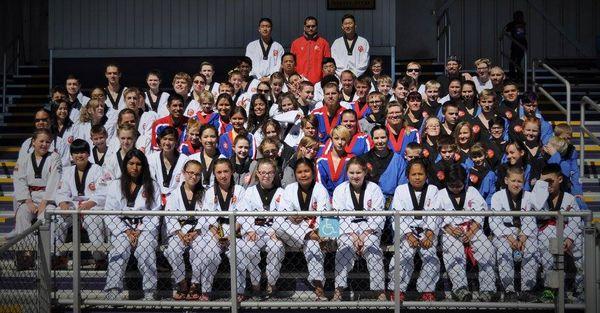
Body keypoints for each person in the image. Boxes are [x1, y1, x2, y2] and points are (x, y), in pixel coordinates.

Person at [104, 149, 161, 301]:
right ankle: (113, 290)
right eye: (131, 164)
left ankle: (150, 291)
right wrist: (126, 231)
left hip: (145, 228)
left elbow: (155, 212)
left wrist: (140, 231)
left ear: (144, 166)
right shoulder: (115, 184)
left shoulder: (152, 185)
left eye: (138, 164)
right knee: (119, 250)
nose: (134, 168)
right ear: (125, 165)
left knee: (145, 249)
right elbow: (109, 212)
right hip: (122, 228)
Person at [436, 164, 496, 302]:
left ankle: (488, 288)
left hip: (473, 229)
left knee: (486, 249)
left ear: (465, 181)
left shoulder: (472, 191)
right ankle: (460, 288)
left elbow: (481, 212)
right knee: (453, 250)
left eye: (459, 185)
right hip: (451, 231)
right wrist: (450, 229)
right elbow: (438, 217)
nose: (456, 189)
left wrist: (471, 231)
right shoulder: (440, 195)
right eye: (452, 185)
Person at [331, 157, 386, 301]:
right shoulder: (339, 190)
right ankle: (338, 290)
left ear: (365, 172)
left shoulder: (374, 189)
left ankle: (379, 290)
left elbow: (379, 215)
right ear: (347, 173)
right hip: (347, 231)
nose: (355, 176)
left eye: (358, 172)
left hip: (370, 230)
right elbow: (338, 217)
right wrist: (354, 235)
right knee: (344, 250)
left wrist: (365, 234)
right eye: (351, 173)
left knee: (374, 249)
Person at [275, 158, 329, 300]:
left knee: (313, 246)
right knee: (277, 225)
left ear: (313, 172)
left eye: (306, 171)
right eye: (299, 172)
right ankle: (310, 235)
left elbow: (324, 215)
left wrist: (301, 217)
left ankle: (318, 285)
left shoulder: (320, 189)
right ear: (295, 174)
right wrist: (293, 217)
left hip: (315, 232)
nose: (303, 175)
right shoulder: (290, 189)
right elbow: (284, 214)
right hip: (295, 231)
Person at [490, 165, 543, 303]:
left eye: (519, 181)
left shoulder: (529, 196)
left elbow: (531, 218)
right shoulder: (497, 196)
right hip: (504, 234)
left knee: (532, 249)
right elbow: (494, 221)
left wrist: (524, 236)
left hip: (524, 233)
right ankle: (509, 290)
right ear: (506, 180)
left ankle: (527, 289)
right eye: (513, 180)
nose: (516, 184)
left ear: (524, 182)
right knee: (504, 250)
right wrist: (510, 237)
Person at [389, 159, 440, 301]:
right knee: (403, 255)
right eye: (413, 174)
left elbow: (435, 214)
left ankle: (427, 290)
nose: (417, 177)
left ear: (426, 175)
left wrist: (430, 234)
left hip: (426, 231)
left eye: (421, 174)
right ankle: (397, 289)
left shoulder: (433, 190)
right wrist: (408, 235)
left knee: (431, 255)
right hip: (406, 232)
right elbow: (396, 215)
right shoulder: (401, 190)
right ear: (408, 176)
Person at [13, 129, 63, 270]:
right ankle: (26, 254)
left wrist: (44, 202)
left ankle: (46, 255)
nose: (44, 144)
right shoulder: (24, 158)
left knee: (46, 217)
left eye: (48, 142)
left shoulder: (54, 157)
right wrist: (28, 201)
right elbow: (19, 179)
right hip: (29, 197)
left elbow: (55, 179)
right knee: (22, 214)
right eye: (41, 141)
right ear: (33, 142)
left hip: (48, 198)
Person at [201, 159, 250, 301]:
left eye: (226, 171)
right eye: (219, 172)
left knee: (238, 253)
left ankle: (239, 290)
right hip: (215, 230)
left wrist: (230, 236)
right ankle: (206, 290)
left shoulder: (240, 190)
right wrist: (218, 235)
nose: (223, 175)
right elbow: (207, 217)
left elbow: (242, 216)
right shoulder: (210, 192)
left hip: (234, 229)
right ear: (214, 174)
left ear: (232, 172)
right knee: (209, 254)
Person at [55, 139, 107, 270]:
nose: (79, 155)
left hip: (91, 208)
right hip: (72, 207)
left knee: (93, 220)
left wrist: (90, 203)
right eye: (76, 153)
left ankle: (100, 258)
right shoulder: (67, 171)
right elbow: (62, 191)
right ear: (71, 156)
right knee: (58, 219)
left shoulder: (97, 170)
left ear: (88, 154)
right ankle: (59, 257)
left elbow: (103, 192)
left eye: (83, 152)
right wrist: (63, 203)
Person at [164, 160, 212, 301]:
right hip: (179, 231)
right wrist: (180, 233)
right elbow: (169, 216)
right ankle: (182, 282)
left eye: (198, 174)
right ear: (184, 173)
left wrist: (196, 232)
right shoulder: (174, 194)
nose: (194, 177)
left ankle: (195, 284)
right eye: (191, 173)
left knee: (201, 249)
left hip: (199, 231)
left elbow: (207, 215)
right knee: (172, 249)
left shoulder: (205, 193)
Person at [537, 164, 584, 302]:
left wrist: (568, 238)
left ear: (560, 179)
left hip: (568, 233)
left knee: (581, 255)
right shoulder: (540, 199)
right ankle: (551, 290)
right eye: (544, 182)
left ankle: (580, 289)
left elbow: (575, 220)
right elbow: (538, 217)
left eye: (550, 181)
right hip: (548, 232)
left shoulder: (570, 198)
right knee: (548, 258)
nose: (547, 185)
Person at [239, 158, 285, 299]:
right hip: (254, 230)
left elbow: (284, 214)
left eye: (270, 172)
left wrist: (275, 231)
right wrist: (249, 229)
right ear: (257, 174)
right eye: (263, 172)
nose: (266, 176)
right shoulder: (250, 192)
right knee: (248, 249)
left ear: (275, 173)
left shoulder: (281, 192)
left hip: (273, 231)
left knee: (276, 248)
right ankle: (255, 284)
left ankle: (271, 283)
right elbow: (243, 213)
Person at [148, 126, 189, 206]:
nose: (167, 143)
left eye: (171, 139)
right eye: (164, 139)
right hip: (155, 198)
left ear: (176, 142)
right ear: (160, 140)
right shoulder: (151, 159)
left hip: (177, 200)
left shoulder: (184, 160)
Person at [290, 16, 331, 84]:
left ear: (317, 27)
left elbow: (327, 65)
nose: (310, 28)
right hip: (300, 82)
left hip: (318, 82)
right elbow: (292, 63)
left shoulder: (324, 43)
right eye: (308, 26)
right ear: (304, 27)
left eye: (313, 26)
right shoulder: (296, 43)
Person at [316, 125, 353, 196]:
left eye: (343, 139)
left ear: (347, 140)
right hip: (326, 201)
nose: (340, 142)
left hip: (346, 201)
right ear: (331, 139)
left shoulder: (352, 160)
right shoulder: (321, 162)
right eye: (336, 138)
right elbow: (320, 188)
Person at [504, 11, 527, 80]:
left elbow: (519, 35)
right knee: (514, 61)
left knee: (516, 62)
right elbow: (505, 30)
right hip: (516, 45)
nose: (518, 18)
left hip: (520, 45)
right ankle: (515, 76)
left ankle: (517, 76)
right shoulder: (513, 24)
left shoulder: (520, 25)